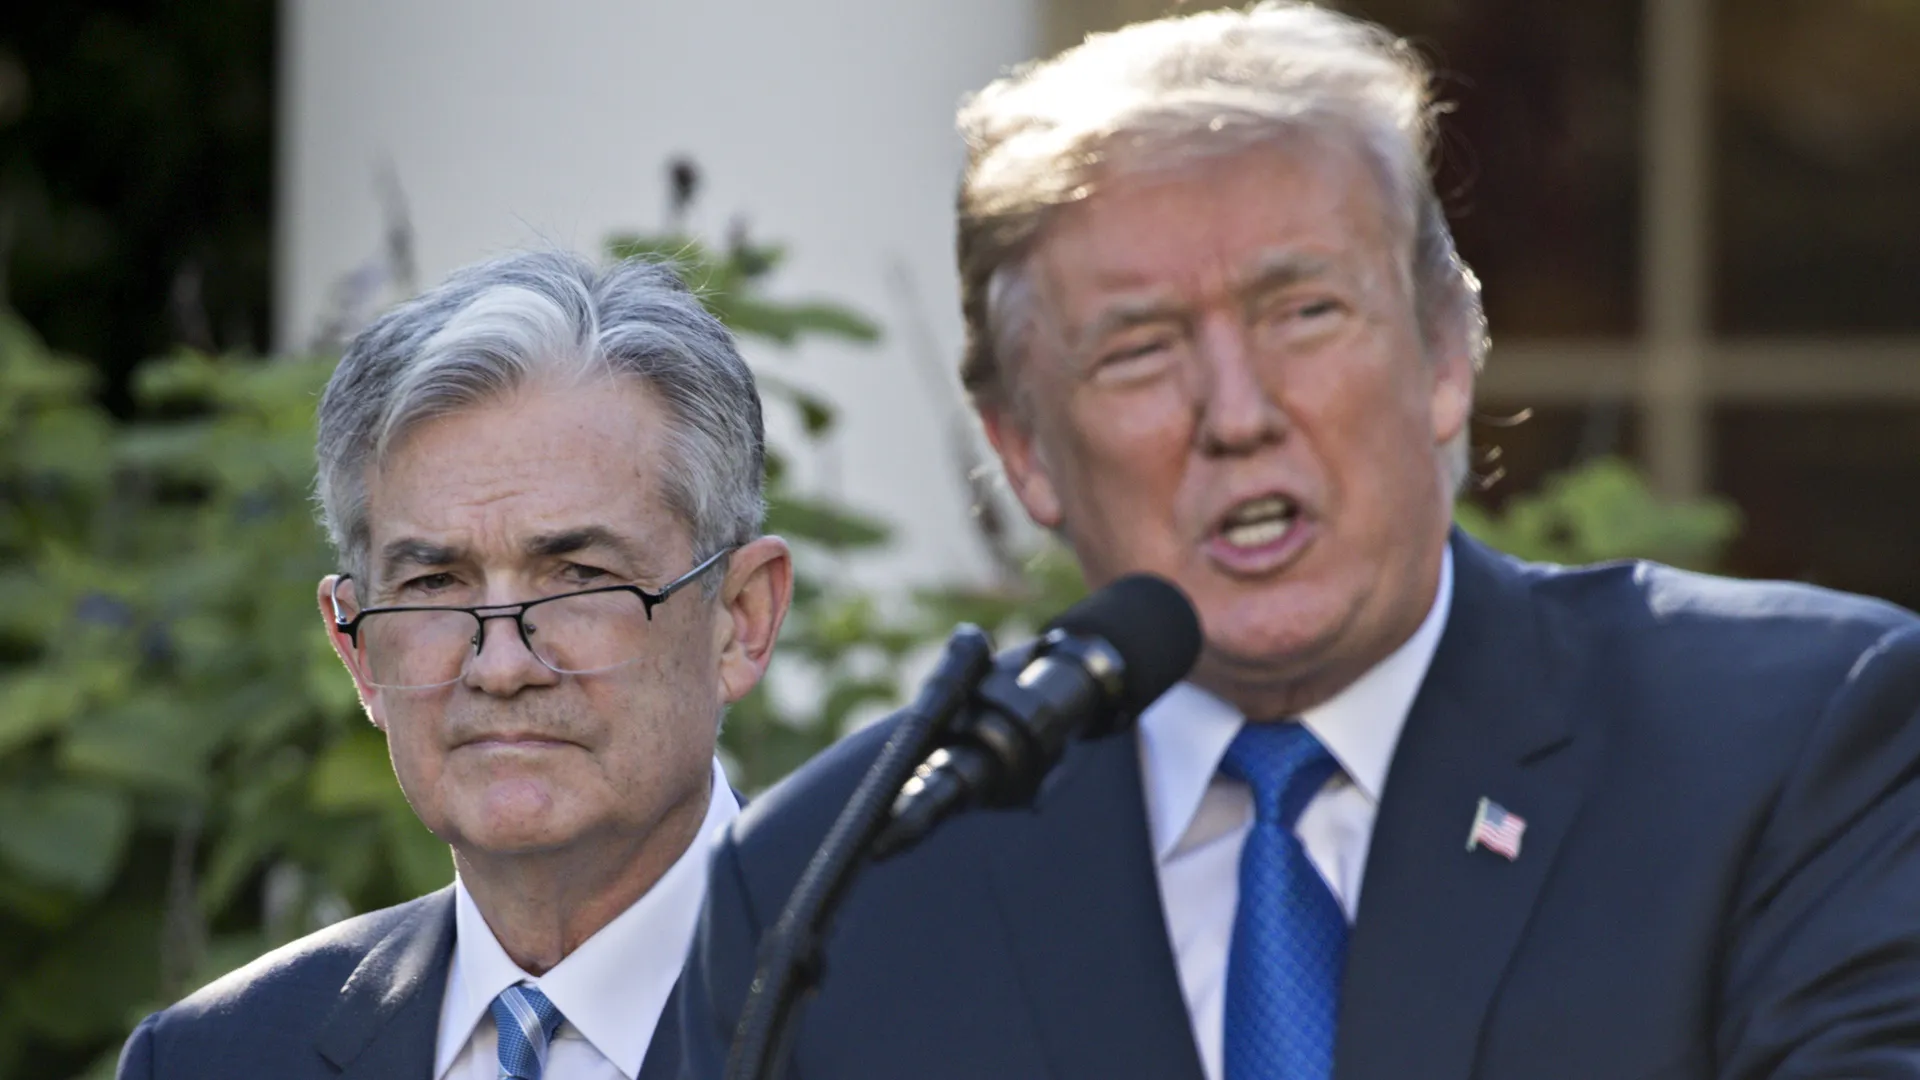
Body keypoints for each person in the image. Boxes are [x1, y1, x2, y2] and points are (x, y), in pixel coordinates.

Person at [679, 5, 1920, 1079]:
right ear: (1024, 450)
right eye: (1140, 351)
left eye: (1305, 312)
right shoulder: (831, 891)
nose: (1238, 413)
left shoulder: (1790, 746)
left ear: (1446, 352)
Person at [118, 251, 791, 1080]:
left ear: (740, 619)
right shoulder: (210, 1060)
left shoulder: (919, 1016)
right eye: (434, 584)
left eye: (580, 578)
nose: (502, 666)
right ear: (358, 650)